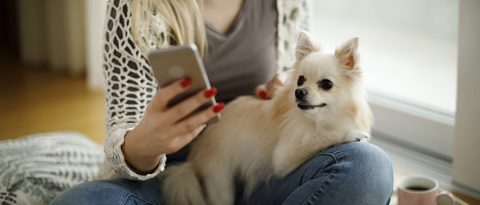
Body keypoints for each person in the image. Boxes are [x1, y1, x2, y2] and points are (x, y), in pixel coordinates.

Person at [51, 0, 394, 204]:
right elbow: (119, 135)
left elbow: (298, 82)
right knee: (84, 201)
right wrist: (145, 143)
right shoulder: (137, 5)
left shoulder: (287, 3)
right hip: (167, 175)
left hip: (264, 167)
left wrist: (281, 89)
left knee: (368, 166)